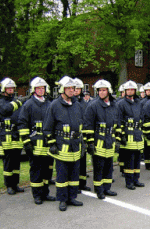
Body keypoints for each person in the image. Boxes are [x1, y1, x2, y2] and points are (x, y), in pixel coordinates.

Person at [43, 76, 84, 211]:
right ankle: (62, 200)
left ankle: (72, 197)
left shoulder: (77, 104)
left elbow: (80, 125)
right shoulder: (54, 105)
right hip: (61, 146)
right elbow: (48, 127)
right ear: (62, 90)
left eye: (73, 88)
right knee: (62, 175)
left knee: (74, 174)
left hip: (75, 145)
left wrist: (82, 143)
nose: (72, 90)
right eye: (69, 88)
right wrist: (52, 144)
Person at [18, 77, 57, 205]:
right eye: (38, 88)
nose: (41, 90)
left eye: (43, 88)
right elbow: (22, 124)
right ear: (33, 90)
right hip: (35, 145)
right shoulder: (28, 105)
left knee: (47, 170)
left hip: (47, 144)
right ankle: (37, 195)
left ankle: (45, 193)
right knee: (36, 171)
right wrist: (26, 143)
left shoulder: (49, 104)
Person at [83, 79, 119, 199]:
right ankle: (99, 190)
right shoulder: (93, 105)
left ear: (109, 91)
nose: (102, 92)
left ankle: (107, 188)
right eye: (100, 90)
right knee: (99, 167)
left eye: (104, 90)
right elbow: (88, 126)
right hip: (98, 141)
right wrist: (90, 143)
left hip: (110, 140)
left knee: (109, 166)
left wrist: (117, 140)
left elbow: (117, 124)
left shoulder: (114, 105)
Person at [0, 78, 25, 195]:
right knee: (8, 162)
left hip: (16, 136)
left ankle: (15, 184)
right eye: (8, 88)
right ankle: (9, 186)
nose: (11, 90)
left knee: (16, 162)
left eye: (12, 88)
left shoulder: (18, 103)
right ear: (3, 89)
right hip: (5, 137)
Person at [117, 80, 145, 190]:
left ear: (135, 91)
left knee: (137, 159)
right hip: (128, 135)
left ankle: (136, 179)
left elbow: (142, 116)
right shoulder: (121, 104)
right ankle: (129, 182)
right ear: (125, 91)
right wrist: (121, 135)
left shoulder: (138, 103)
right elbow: (118, 120)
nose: (130, 91)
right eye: (128, 89)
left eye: (132, 89)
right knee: (129, 160)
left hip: (137, 134)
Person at [73, 78, 92, 193]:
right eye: (74, 88)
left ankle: (82, 183)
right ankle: (75, 185)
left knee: (83, 161)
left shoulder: (83, 103)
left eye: (78, 88)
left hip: (83, 136)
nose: (76, 90)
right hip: (73, 137)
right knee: (75, 163)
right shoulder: (71, 102)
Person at [140, 82, 150, 170]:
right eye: (147, 90)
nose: (148, 92)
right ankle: (147, 163)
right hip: (145, 125)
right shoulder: (142, 102)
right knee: (146, 146)